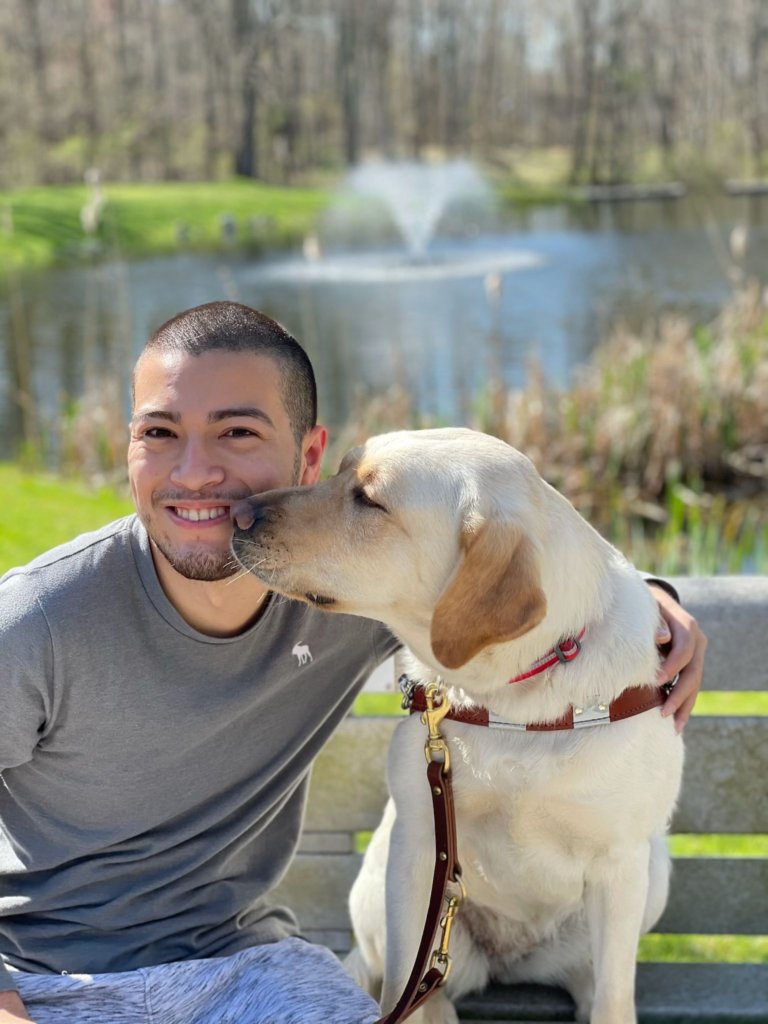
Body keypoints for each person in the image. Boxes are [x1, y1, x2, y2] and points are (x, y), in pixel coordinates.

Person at [0, 301, 707, 1024]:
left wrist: (652, 603)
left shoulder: (357, 598)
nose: (195, 472)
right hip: (39, 981)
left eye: (237, 432)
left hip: (246, 969)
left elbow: (514, 583)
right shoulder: (36, 620)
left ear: (309, 457)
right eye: (158, 432)